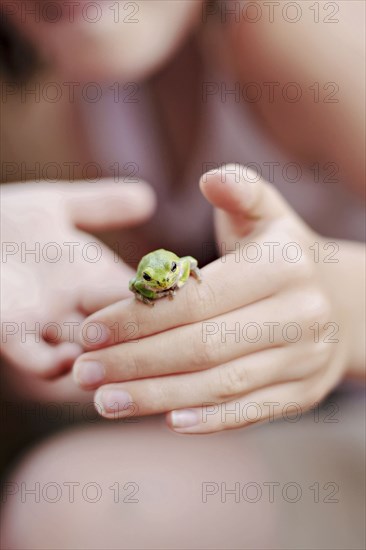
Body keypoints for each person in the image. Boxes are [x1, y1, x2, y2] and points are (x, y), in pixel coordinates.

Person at [0, 1, 365, 548]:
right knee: (78, 504)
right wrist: (83, 356)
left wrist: (342, 310)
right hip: (315, 420)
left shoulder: (293, 24)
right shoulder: (91, 93)